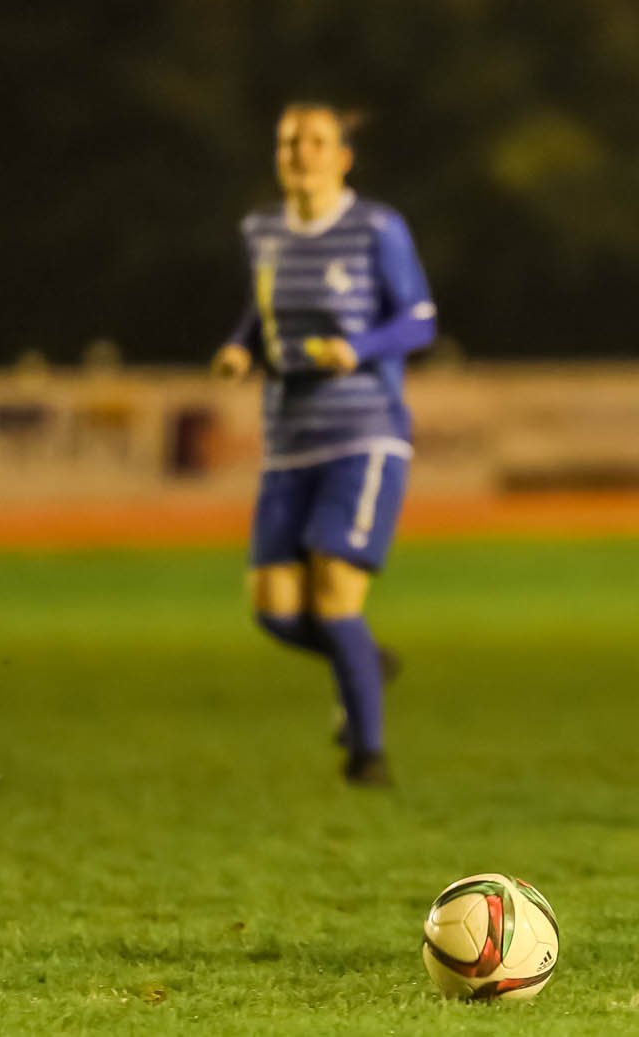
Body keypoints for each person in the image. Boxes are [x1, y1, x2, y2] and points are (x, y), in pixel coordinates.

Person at [211, 102, 436, 786]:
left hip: (363, 434)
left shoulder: (377, 228)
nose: (300, 152)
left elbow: (419, 319)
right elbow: (262, 311)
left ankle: (368, 756)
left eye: (314, 141)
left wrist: (358, 348)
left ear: (343, 157)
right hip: (287, 438)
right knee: (275, 611)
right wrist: (240, 347)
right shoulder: (262, 230)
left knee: (336, 600)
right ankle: (364, 662)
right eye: (289, 142)